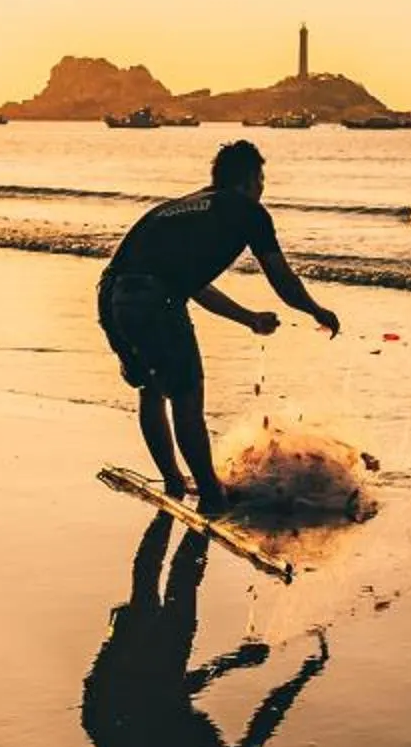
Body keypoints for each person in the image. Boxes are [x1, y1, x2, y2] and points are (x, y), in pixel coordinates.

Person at [98, 139, 339, 514]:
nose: (262, 187)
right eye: (261, 178)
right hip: (154, 301)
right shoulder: (248, 211)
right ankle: (211, 495)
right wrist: (315, 310)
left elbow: (189, 283)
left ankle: (174, 480)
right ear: (248, 180)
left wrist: (249, 319)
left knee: (150, 388)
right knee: (187, 396)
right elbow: (282, 279)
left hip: (114, 297)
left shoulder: (178, 208)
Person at [81, 513, 330, 747]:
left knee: (150, 605)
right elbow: (267, 719)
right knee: (169, 606)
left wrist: (236, 661)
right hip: (121, 702)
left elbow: (174, 694)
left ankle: (185, 520)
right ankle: (197, 522)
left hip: (109, 704)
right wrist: (301, 675)